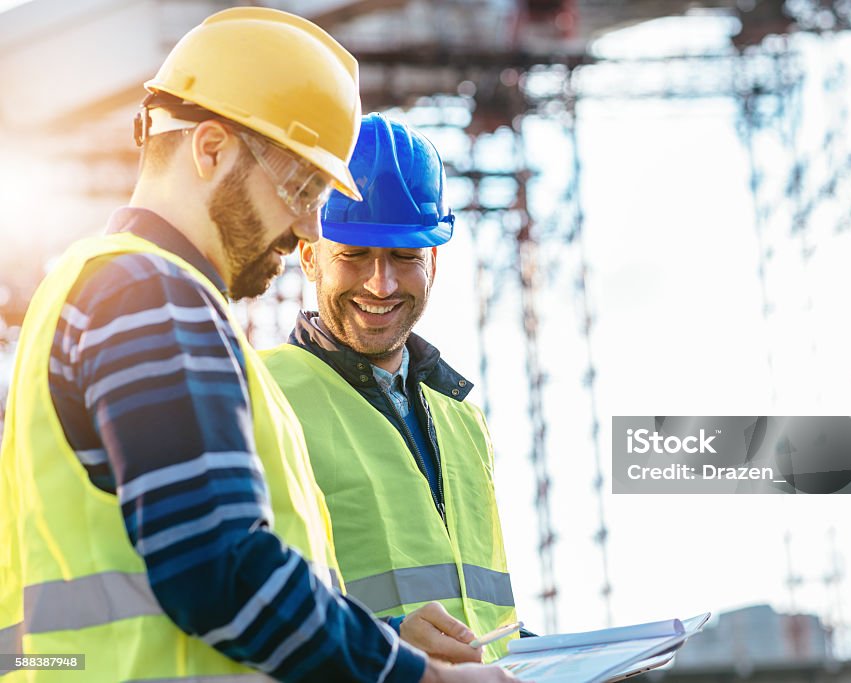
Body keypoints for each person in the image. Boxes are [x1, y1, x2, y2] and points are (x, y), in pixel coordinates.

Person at [0, 8, 513, 683]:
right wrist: (422, 678)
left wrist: (388, 640)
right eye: (300, 185)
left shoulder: (99, 288)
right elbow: (220, 571)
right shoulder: (150, 293)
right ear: (209, 149)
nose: (307, 221)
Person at [262, 114, 522, 665]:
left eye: (404, 257)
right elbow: (236, 597)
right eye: (353, 255)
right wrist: (391, 643)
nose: (380, 283)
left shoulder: (461, 420)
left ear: (432, 260)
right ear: (309, 255)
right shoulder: (260, 393)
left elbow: (485, 617)